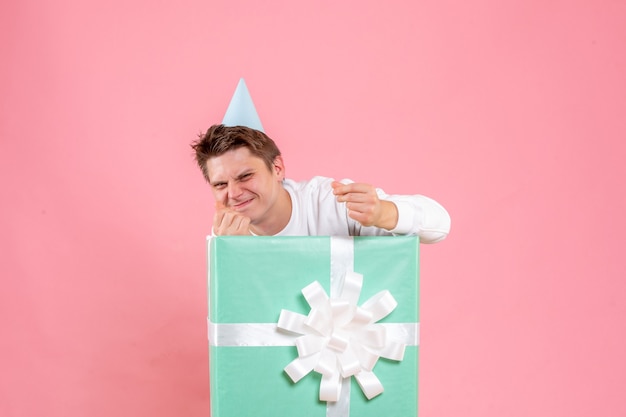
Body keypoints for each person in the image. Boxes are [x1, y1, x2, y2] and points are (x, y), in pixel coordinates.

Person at [191, 124, 451, 243]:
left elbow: (440, 224)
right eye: (220, 185)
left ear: (278, 168)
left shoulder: (332, 202)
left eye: (245, 176)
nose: (234, 193)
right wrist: (233, 258)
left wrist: (384, 212)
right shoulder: (224, 238)